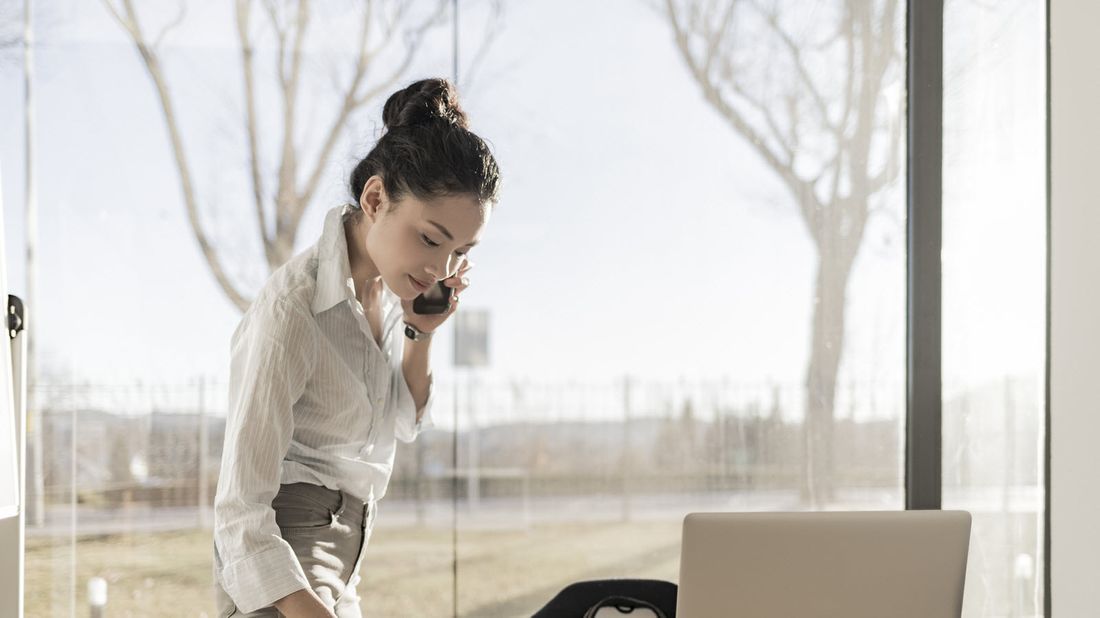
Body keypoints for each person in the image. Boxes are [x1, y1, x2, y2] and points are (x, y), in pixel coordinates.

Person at [212, 77, 501, 618]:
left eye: (461, 251)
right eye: (432, 239)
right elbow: (238, 516)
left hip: (345, 567)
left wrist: (421, 331)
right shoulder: (293, 309)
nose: (443, 270)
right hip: (285, 573)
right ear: (374, 198)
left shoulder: (394, 293)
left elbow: (401, 423)